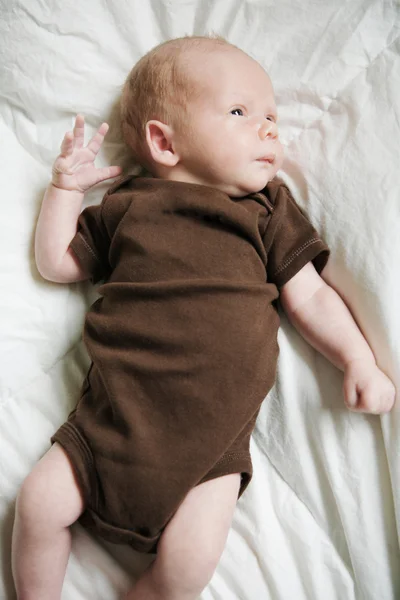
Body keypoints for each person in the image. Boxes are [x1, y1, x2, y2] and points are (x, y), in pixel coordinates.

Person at [11, 35, 395, 600]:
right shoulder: (127, 207)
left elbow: (309, 297)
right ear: (164, 143)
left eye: (271, 116)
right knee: (38, 506)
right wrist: (65, 190)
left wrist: (357, 358)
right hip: (111, 419)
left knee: (188, 569)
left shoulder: (267, 212)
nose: (268, 128)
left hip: (213, 450)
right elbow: (56, 262)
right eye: (240, 112)